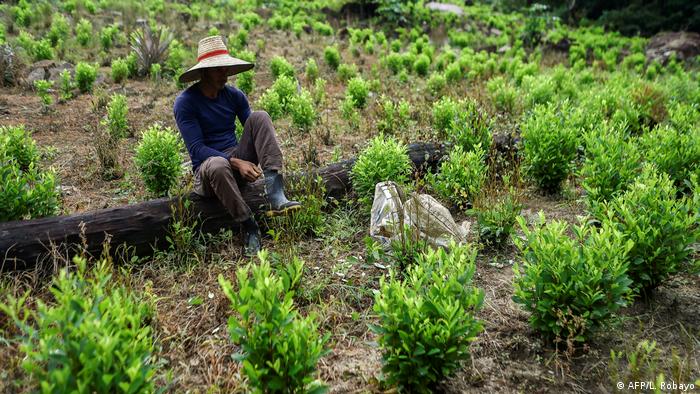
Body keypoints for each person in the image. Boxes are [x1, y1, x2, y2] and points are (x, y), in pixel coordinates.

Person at [173, 35, 300, 256]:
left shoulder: (234, 96)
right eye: (218, 69)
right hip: (209, 171)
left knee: (260, 117)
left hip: (233, 159)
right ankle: (249, 226)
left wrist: (249, 160)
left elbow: (254, 130)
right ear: (203, 72)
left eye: (226, 68)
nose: (225, 73)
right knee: (218, 165)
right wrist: (236, 162)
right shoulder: (186, 103)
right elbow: (196, 149)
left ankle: (276, 193)